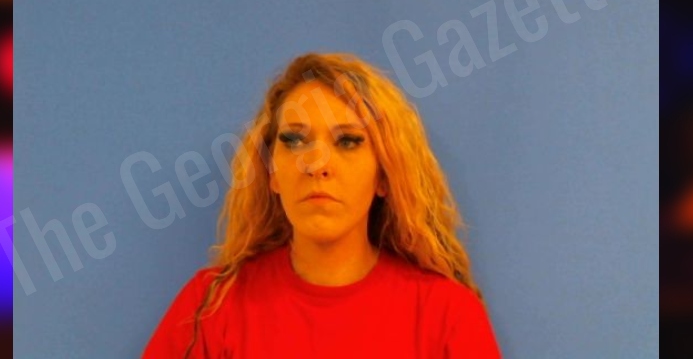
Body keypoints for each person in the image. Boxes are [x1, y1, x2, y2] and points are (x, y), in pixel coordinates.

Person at [143, 52, 501, 358]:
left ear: (384, 175)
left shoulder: (447, 315)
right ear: (272, 172)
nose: (316, 164)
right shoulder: (211, 306)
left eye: (347, 141)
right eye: (294, 140)